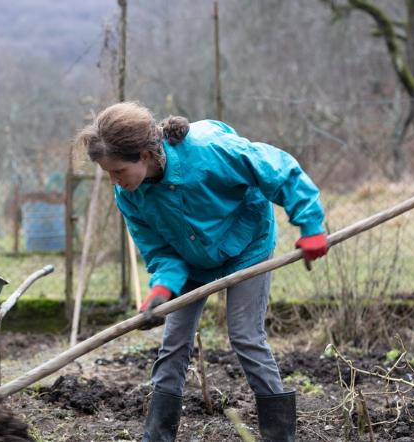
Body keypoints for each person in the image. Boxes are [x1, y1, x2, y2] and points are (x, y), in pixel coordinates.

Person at [74, 102, 328, 442]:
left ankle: (280, 435)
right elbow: (160, 252)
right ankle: (157, 436)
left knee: (245, 336)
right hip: (189, 260)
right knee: (173, 344)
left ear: (146, 155)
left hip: (245, 247)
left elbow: (279, 170)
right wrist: (162, 289)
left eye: (118, 170)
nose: (114, 180)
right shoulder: (129, 196)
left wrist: (310, 226)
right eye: (108, 173)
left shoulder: (210, 151)